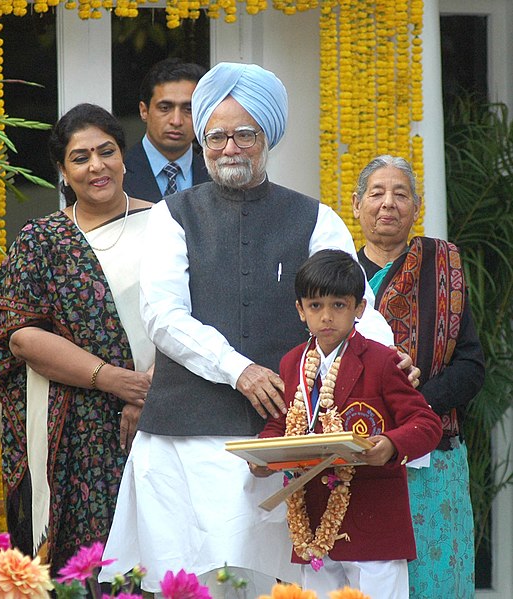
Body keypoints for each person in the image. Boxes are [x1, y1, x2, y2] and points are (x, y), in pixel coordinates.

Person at [100, 62, 407, 595]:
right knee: (188, 582)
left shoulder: (316, 218)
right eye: (216, 136)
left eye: (245, 133)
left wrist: (387, 358)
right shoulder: (173, 216)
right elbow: (163, 316)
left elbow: (357, 305)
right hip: (184, 440)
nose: (229, 147)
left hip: (287, 442)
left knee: (280, 586)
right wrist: (238, 369)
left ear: (268, 137)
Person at [0, 103, 155, 573]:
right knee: (83, 563)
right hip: (74, 433)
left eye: (107, 151)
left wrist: (149, 390)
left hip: (158, 418)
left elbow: (193, 319)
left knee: (158, 558)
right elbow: (20, 337)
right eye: (80, 158)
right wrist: (115, 380)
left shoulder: (167, 227)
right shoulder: (42, 240)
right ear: (62, 170)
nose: (96, 166)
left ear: (125, 158)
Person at [253, 249, 443, 599]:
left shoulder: (382, 360)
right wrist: (262, 457)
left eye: (339, 305)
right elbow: (279, 424)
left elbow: (427, 423)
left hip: (374, 517)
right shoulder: (291, 363)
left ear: (359, 309)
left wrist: (391, 444)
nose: (326, 316)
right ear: (300, 310)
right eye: (315, 306)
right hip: (312, 521)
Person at [352, 155, 485, 598]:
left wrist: (413, 412)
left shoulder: (442, 270)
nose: (388, 204)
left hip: (433, 453)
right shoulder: (339, 280)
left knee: (434, 579)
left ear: (417, 207)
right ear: (356, 205)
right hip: (357, 457)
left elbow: (471, 366)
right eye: (377, 193)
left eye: (401, 194)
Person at [123, 57, 210, 202]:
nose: (176, 121)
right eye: (165, 108)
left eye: (189, 109)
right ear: (144, 111)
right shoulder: (117, 173)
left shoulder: (215, 177)